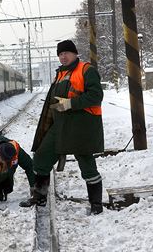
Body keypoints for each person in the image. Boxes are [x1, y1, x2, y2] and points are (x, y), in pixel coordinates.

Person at [20, 40, 105, 214]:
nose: (63, 56)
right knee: (42, 157)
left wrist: (71, 104)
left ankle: (96, 203)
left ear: (75, 53)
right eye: (60, 54)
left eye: (66, 52)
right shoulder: (60, 74)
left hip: (82, 126)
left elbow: (96, 96)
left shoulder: (86, 70)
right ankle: (40, 196)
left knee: (87, 165)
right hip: (60, 126)